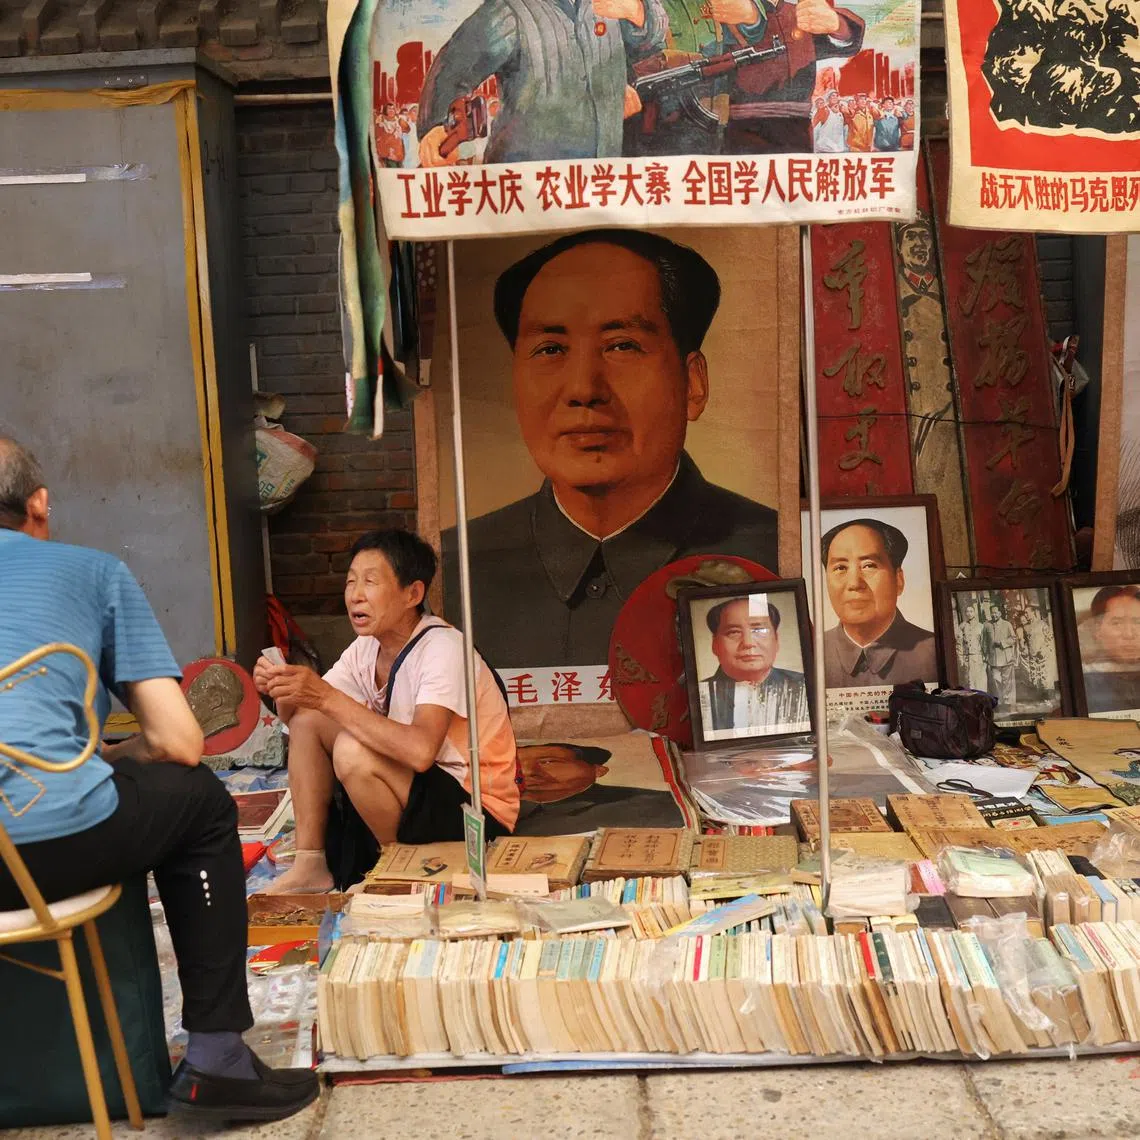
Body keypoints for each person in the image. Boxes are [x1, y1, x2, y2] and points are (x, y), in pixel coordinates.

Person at [0, 438, 318, 1121]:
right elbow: (179, 742)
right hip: (49, 846)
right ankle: (217, 1059)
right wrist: (102, 762)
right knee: (201, 800)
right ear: (39, 506)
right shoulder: (91, 571)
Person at [442, 229, 779, 668]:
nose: (584, 389)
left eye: (622, 345)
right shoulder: (454, 569)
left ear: (693, 383)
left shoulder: (772, 551)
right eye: (550, 349)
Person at [257, 529, 519, 894]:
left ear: (413, 594)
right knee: (310, 719)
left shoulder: (442, 648)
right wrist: (281, 685)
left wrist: (323, 696)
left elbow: (421, 752)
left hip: (474, 810)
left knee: (352, 751)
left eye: (370, 582)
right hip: (414, 791)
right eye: (350, 582)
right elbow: (300, 721)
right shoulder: (365, 648)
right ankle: (310, 864)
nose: (355, 595)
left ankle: (396, 872)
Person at [417, 0, 665, 166]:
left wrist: (638, 11)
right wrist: (440, 126)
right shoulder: (512, 8)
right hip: (528, 181)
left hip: (602, 172)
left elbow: (653, 36)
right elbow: (455, 65)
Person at [718, 0, 865, 154]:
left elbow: (847, 44)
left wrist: (837, 24)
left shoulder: (798, 14)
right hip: (743, 131)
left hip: (798, 130)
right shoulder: (730, 8)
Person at [820, 518, 938, 689]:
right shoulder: (812, 653)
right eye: (840, 568)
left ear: (898, 580)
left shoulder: (935, 651)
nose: (854, 583)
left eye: (869, 566)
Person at [698, 597, 809, 737]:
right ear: (715, 644)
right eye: (733, 632)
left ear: (776, 640)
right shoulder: (700, 697)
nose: (748, 643)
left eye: (759, 630)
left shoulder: (805, 686)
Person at [513, 742, 682, 832]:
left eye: (548, 762)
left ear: (598, 770)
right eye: (514, 764)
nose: (526, 771)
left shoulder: (652, 804)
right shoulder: (494, 813)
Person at [1082, 586, 1140, 714]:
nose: (1129, 634)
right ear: (1097, 630)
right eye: (1117, 623)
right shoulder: (1083, 682)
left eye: (1138, 622)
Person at [982, 600, 1017, 708]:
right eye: (992, 612)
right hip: (993, 658)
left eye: (996, 612)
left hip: (1006, 657)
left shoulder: (1007, 624)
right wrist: (985, 655)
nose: (994, 614)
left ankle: (1007, 702)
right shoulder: (987, 625)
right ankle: (999, 700)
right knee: (996, 680)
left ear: (1000, 613)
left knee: (1007, 682)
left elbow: (1014, 638)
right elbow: (984, 642)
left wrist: (1003, 643)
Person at [956, 603, 988, 692]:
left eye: (971, 611)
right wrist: (961, 658)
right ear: (965, 613)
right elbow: (959, 644)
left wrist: (985, 657)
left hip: (978, 656)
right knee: (969, 680)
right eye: (967, 611)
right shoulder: (962, 626)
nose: (969, 613)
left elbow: (984, 643)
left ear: (974, 613)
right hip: (967, 657)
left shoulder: (980, 626)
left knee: (980, 680)